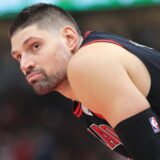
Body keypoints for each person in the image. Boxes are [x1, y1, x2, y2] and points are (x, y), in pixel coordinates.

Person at [9, 3, 160, 160]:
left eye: (35, 46)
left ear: (69, 38)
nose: (25, 64)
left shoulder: (88, 63)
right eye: (19, 56)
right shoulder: (84, 85)